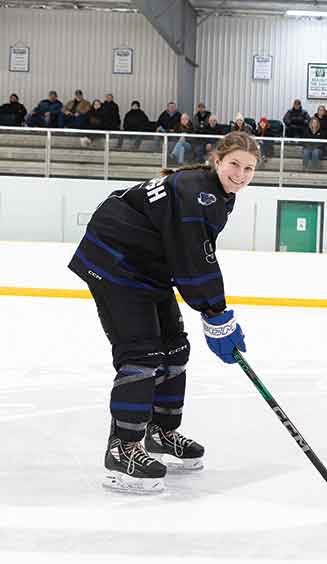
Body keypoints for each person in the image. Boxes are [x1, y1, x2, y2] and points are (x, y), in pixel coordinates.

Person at [67, 131, 259, 493]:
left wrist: (213, 311)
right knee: (141, 353)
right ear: (216, 160)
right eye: (234, 164)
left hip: (148, 266)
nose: (241, 174)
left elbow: (191, 254)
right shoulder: (197, 192)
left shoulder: (217, 193)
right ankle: (122, 447)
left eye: (249, 168)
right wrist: (215, 312)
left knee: (174, 349)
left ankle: (160, 432)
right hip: (114, 262)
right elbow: (194, 259)